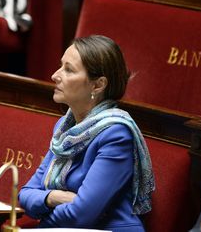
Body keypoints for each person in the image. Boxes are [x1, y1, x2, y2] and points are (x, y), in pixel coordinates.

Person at [18, 35, 155, 231]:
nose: (55, 75)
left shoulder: (116, 135)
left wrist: (43, 215)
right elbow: (25, 194)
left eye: (69, 70)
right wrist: (53, 197)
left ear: (98, 85)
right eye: (60, 66)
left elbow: (81, 215)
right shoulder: (64, 128)